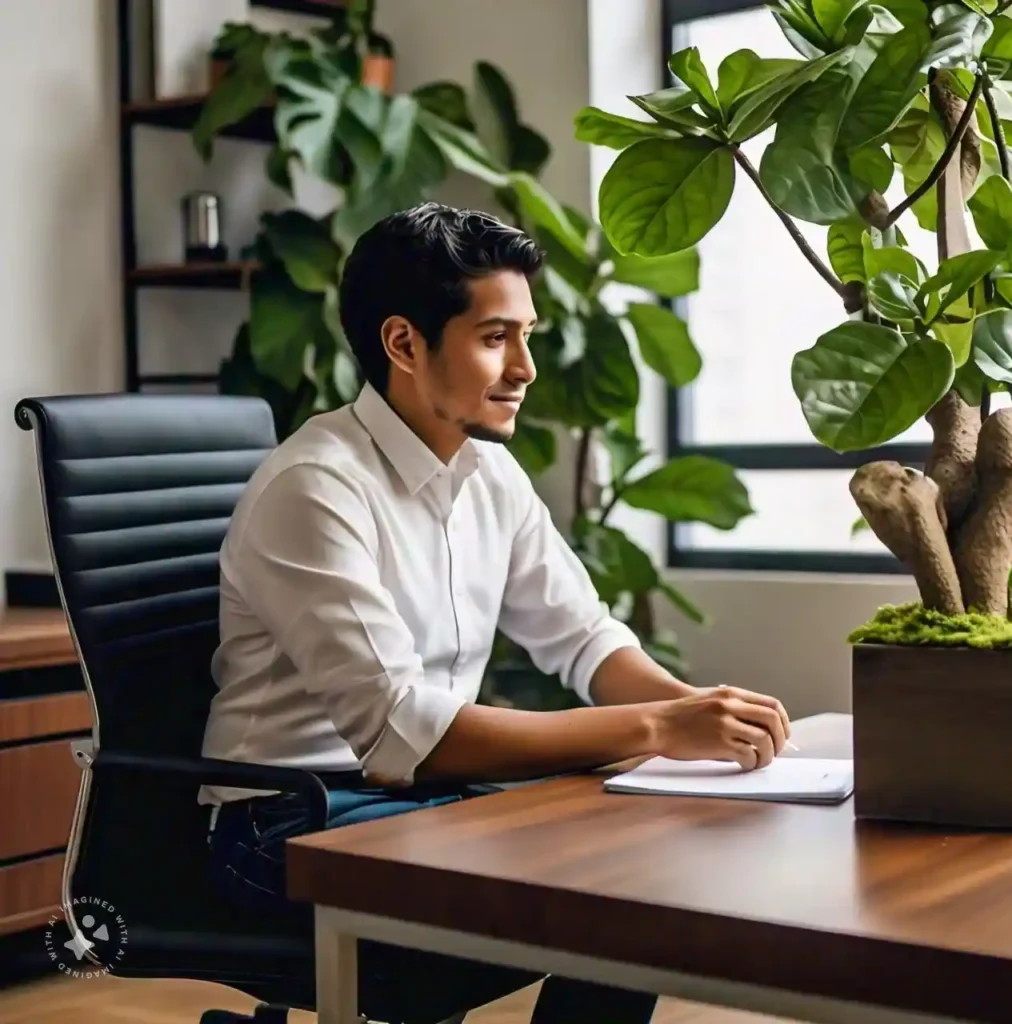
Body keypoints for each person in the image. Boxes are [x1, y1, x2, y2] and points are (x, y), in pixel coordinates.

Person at [201, 202, 791, 1023]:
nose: (525, 368)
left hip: (415, 800)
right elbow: (407, 729)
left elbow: (583, 639)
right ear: (404, 343)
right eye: (494, 338)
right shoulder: (316, 487)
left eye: (527, 336)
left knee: (640, 875)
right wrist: (658, 730)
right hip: (284, 824)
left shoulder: (489, 473)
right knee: (607, 899)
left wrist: (690, 714)